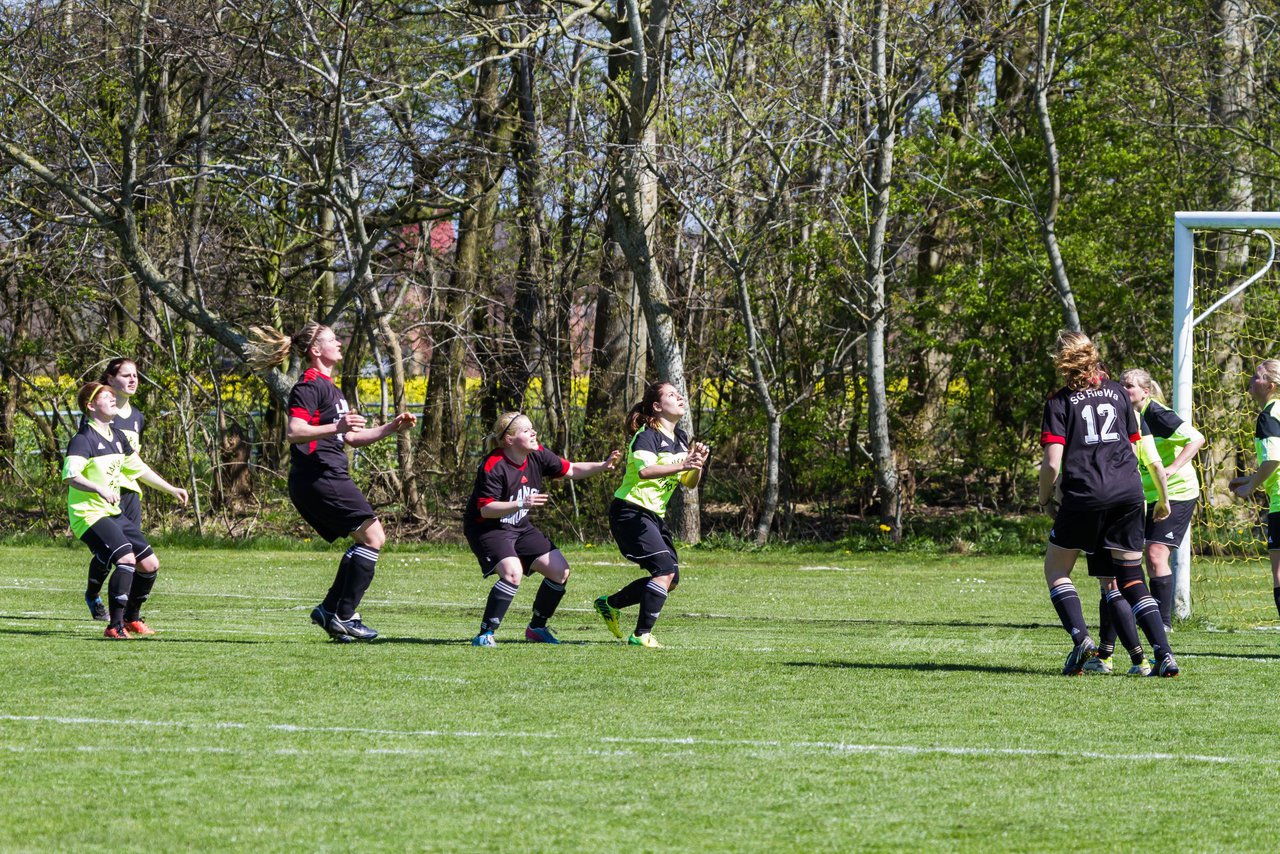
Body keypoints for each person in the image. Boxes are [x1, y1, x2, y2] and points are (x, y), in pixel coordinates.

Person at [249, 322, 416, 642]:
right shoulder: (308, 385)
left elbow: (351, 437)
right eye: (332, 339)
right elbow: (295, 432)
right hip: (318, 476)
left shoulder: (331, 388)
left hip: (328, 475)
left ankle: (331, 610)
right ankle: (344, 614)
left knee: (368, 539)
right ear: (315, 350)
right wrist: (334, 426)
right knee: (373, 536)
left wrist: (391, 427)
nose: (339, 343)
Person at [1038, 331, 1179, 677]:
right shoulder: (1118, 391)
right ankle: (1163, 655)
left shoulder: (1058, 402)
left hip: (1085, 495)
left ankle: (1082, 639)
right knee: (1130, 578)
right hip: (1128, 493)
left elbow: (1053, 463)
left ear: (1061, 361)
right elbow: (1133, 447)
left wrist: (1044, 498)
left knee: (1057, 571)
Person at [463, 412, 620, 646]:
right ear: (509, 440)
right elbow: (486, 510)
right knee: (512, 573)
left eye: (532, 428)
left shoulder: (537, 454)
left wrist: (603, 465)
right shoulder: (493, 465)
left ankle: (537, 629)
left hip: (519, 526)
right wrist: (520, 503)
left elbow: (572, 470)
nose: (533, 433)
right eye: (526, 431)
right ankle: (485, 634)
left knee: (560, 571)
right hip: (488, 529)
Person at [63, 381, 188, 638]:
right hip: (88, 514)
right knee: (126, 559)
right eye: (105, 396)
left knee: (150, 564)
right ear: (90, 406)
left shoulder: (118, 437)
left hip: (112, 513)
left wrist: (171, 489)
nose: (112, 398)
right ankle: (114, 626)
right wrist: (98, 489)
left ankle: (132, 619)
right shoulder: (83, 439)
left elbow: (139, 469)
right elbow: (70, 475)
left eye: (112, 395)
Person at [594, 381, 708, 648]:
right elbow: (645, 471)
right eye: (671, 395)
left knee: (671, 579)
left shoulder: (680, 439)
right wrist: (684, 462)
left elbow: (688, 483)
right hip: (630, 511)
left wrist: (697, 464)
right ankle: (641, 635)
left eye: (679, 393)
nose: (680, 397)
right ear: (657, 407)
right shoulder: (647, 435)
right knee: (664, 571)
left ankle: (609, 604)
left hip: (653, 515)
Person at [81, 358, 169, 620]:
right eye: (126, 375)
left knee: (132, 554)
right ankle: (94, 596)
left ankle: (129, 615)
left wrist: (169, 487)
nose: (133, 380)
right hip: (102, 494)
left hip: (129, 493)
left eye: (136, 376)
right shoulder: (98, 413)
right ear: (109, 379)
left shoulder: (138, 417)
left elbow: (135, 462)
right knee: (110, 553)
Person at [1120, 369, 1205, 628]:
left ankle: (1163, 623)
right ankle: (1144, 615)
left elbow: (1197, 439)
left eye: (1130, 386)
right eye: (1121, 385)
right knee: (1134, 556)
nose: (1125, 390)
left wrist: (1171, 469)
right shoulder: (1124, 415)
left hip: (1176, 492)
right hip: (1144, 494)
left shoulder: (1158, 415)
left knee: (1156, 554)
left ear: (1145, 392)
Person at [1229, 359, 1280, 621]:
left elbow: (1273, 459)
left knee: (1279, 572)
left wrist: (1251, 485)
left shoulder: (1269, 414)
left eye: (1257, 376)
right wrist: (1250, 477)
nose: (1251, 380)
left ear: (1271, 385)